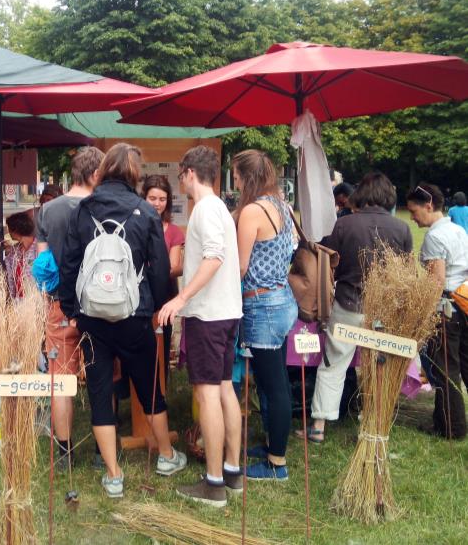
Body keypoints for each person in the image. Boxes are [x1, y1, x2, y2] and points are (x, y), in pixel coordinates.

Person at [60, 143, 186, 499]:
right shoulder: (146, 212)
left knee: (100, 393)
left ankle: (113, 476)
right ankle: (165, 455)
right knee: (149, 388)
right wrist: (157, 307)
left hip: (91, 319)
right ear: (134, 174)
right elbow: (160, 268)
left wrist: (72, 310)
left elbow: (70, 264)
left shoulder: (83, 210)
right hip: (135, 316)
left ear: (103, 170)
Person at [158, 145, 243, 508]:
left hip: (208, 315)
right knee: (224, 389)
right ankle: (232, 472)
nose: (181, 183)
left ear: (189, 172)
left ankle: (213, 484)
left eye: (180, 176)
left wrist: (181, 298)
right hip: (225, 312)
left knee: (209, 393)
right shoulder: (219, 207)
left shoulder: (206, 209)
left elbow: (214, 257)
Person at [300, 172, 413, 443]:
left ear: (362, 194)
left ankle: (318, 427)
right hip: (384, 310)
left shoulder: (345, 225)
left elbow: (329, 263)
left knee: (333, 365)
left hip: (348, 305)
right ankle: (372, 424)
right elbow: (407, 275)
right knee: (380, 367)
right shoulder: (402, 229)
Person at [35, 146, 104, 470]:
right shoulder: (103, 208)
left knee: (60, 380)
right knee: (101, 375)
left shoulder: (49, 210)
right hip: (100, 305)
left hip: (60, 305)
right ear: (94, 174)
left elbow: (43, 267)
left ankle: (64, 452)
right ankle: (103, 452)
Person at [230, 150, 298, 480]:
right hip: (282, 299)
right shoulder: (280, 205)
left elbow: (240, 265)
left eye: (236, 175)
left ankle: (277, 463)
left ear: (245, 177)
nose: (234, 180)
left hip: (262, 306)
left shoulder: (252, 211)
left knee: (274, 387)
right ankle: (273, 442)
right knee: (278, 381)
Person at [407, 183, 468, 439]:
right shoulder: (458, 230)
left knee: (445, 370)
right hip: (464, 302)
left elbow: (436, 281)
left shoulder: (434, 236)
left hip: (446, 309)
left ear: (429, 205)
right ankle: (443, 420)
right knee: (464, 364)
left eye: (413, 210)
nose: (411, 216)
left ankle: (451, 428)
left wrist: (423, 314)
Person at [142, 174, 184, 378]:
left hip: (164, 295)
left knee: (162, 344)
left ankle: (161, 389)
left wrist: (153, 270)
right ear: (144, 197)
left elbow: (175, 266)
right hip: (138, 295)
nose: (157, 204)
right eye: (152, 198)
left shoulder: (173, 231)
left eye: (162, 199)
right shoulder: (136, 224)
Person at [0, 212, 37, 300]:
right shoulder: (14, 251)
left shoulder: (38, 248)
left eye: (9, 229)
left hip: (36, 300)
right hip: (17, 300)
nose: (8, 232)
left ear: (16, 230)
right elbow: (4, 270)